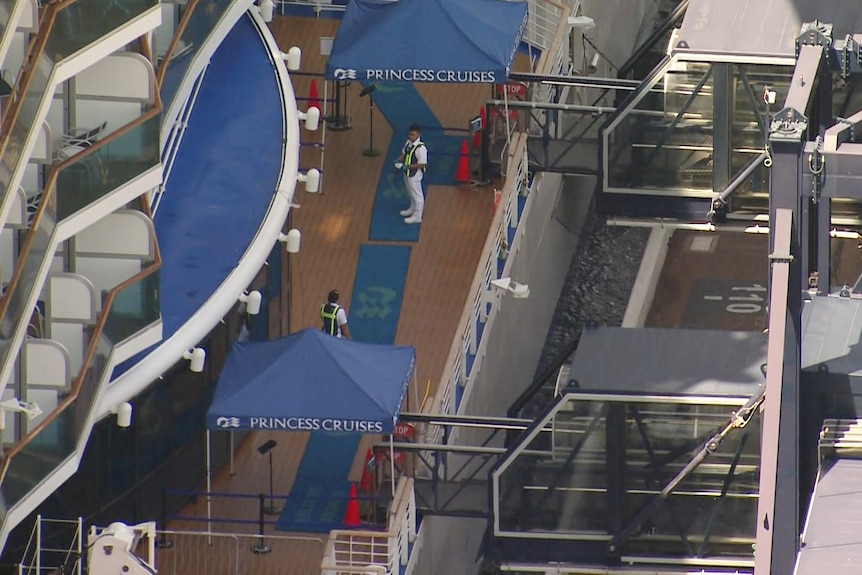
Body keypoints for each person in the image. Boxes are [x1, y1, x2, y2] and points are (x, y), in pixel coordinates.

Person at [394, 123, 428, 224]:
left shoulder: (421, 149)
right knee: (410, 191)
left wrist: (406, 166)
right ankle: (412, 208)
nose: (411, 136)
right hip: (407, 172)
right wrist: (398, 160)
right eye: (410, 134)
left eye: (413, 135)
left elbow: (421, 164)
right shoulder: (409, 142)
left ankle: (418, 216)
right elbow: (404, 153)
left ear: (418, 134)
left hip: (415, 174)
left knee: (417, 195)